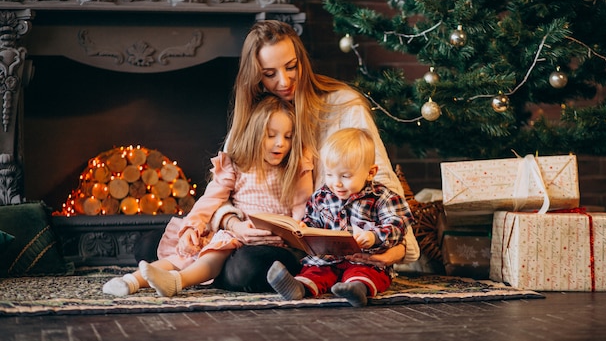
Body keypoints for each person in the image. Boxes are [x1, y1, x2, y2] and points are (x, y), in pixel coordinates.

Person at [210, 20, 419, 293]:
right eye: (269, 73)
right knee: (153, 244)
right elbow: (218, 191)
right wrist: (233, 224)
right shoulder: (255, 114)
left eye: (291, 67)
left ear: (302, 62)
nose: (284, 82)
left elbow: (379, 181)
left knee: (246, 268)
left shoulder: (344, 105)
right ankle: (214, 267)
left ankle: (216, 271)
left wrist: (397, 250)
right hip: (249, 240)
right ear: (256, 76)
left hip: (318, 253)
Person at [102, 95, 313, 297]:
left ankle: (178, 281)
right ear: (254, 133)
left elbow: (302, 208)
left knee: (213, 254)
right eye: (271, 135)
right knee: (186, 253)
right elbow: (210, 200)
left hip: (271, 244)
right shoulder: (236, 165)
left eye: (288, 136)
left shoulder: (295, 166)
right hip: (235, 234)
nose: (281, 143)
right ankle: (131, 281)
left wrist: (298, 231)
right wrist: (191, 228)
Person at [267, 128, 414, 307]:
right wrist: (304, 230)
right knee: (315, 271)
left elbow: (398, 224)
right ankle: (299, 287)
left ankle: (357, 289)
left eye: (345, 176)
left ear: (370, 172)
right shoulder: (321, 196)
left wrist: (373, 236)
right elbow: (312, 221)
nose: (336, 183)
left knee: (366, 273)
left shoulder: (383, 198)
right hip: (328, 259)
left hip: (365, 260)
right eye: (329, 174)